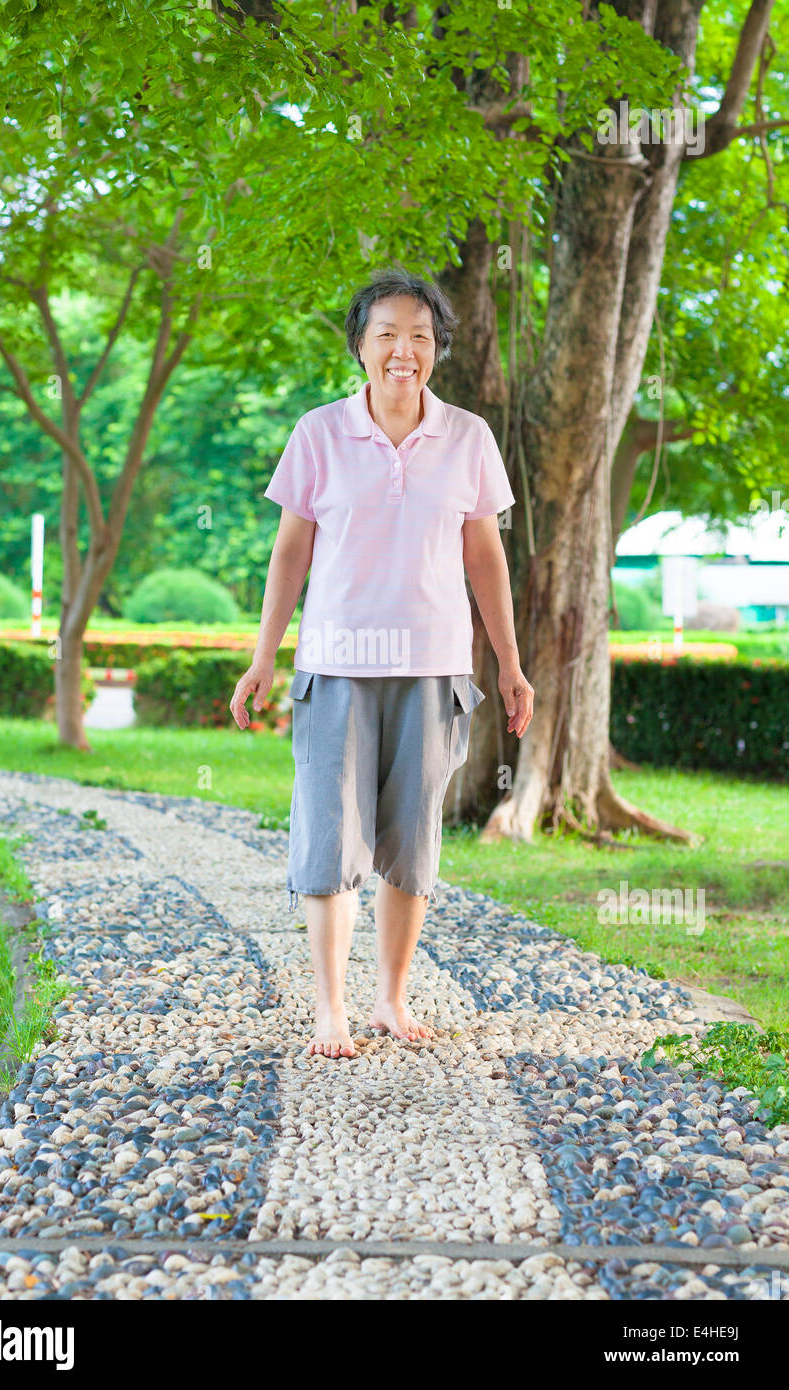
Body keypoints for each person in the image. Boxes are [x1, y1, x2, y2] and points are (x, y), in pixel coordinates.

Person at [230, 266, 534, 1059]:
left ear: (439, 349)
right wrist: (263, 658)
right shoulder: (318, 433)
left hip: (434, 666)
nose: (405, 350)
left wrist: (509, 663)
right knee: (330, 839)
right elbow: (290, 551)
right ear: (361, 345)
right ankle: (330, 1008)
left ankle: (391, 1001)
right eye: (387, 334)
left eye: (421, 336)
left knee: (411, 839)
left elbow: (486, 559)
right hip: (335, 664)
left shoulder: (468, 436)